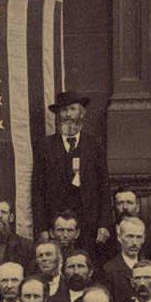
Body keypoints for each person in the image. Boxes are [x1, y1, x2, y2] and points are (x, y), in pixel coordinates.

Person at [33, 91, 107, 244]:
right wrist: (42, 228)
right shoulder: (45, 146)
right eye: (63, 110)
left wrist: (104, 224)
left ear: (82, 113)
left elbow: (104, 186)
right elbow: (38, 190)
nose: (68, 114)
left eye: (72, 109)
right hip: (56, 226)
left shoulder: (94, 145)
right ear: (58, 115)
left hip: (89, 224)